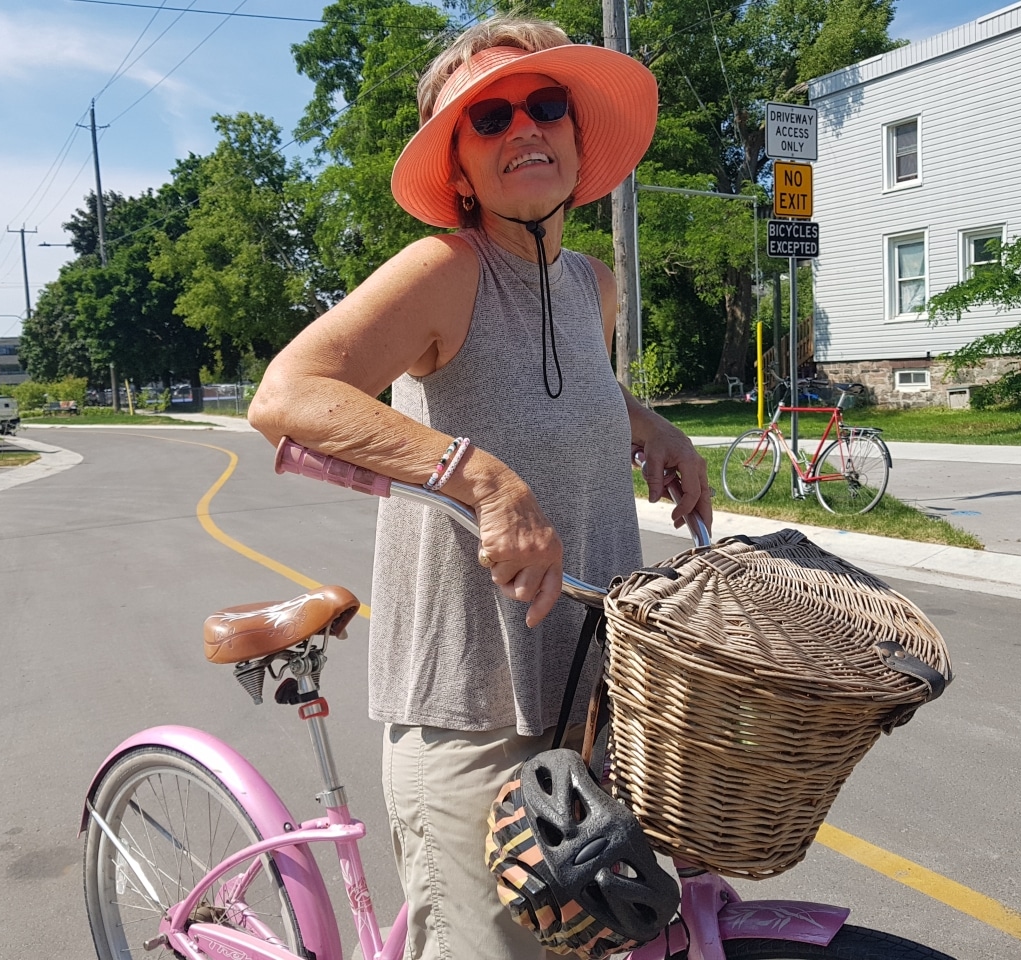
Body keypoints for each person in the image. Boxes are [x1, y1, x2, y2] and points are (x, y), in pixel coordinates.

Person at [248, 15, 711, 959]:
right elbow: (287, 395)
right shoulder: (444, 271)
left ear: (579, 139)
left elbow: (573, 389)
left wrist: (650, 426)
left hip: (588, 693)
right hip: (470, 705)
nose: (523, 129)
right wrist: (483, 480)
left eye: (545, 106)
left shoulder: (593, 287)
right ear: (459, 167)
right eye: (488, 117)